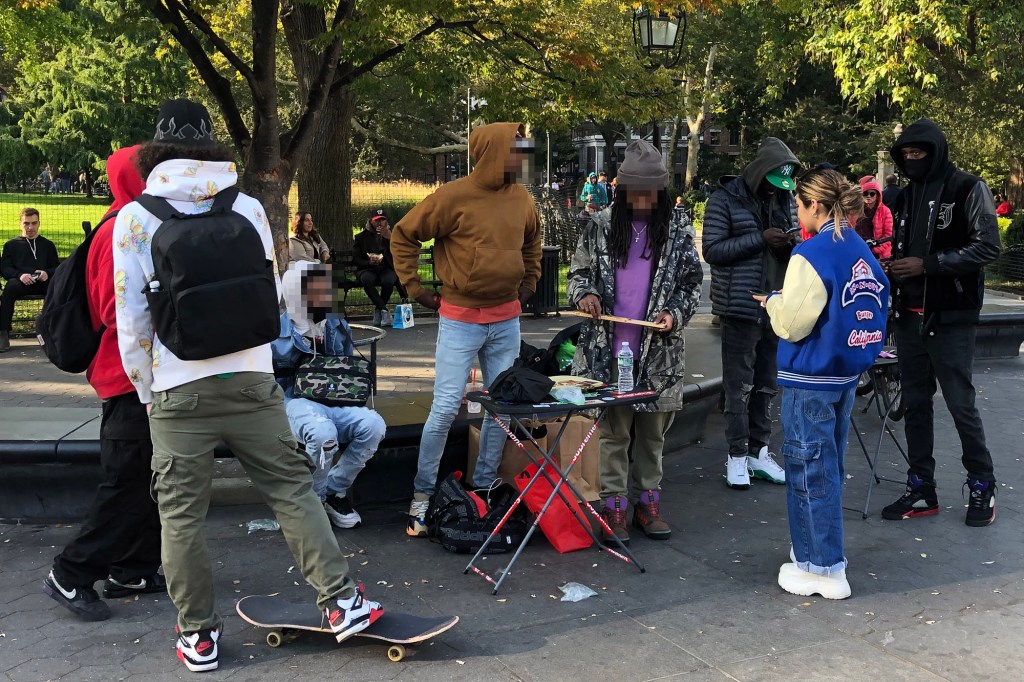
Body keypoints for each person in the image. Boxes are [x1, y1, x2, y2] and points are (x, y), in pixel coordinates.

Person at [113, 98, 382, 673]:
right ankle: (341, 603)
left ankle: (199, 636)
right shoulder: (250, 207)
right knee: (292, 492)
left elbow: (133, 320)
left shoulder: (136, 218)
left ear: (156, 151)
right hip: (254, 378)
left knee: (181, 515)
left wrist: (148, 389)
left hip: (179, 387)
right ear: (212, 146)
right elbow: (265, 287)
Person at [391, 122, 542, 537]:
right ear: (494, 151)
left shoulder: (522, 197)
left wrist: (529, 283)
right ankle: (421, 497)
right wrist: (416, 289)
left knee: (502, 409)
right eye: (517, 149)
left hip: (506, 320)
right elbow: (403, 235)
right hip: (460, 320)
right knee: (443, 410)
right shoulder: (452, 197)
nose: (522, 158)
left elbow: (532, 241)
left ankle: (483, 489)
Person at [42, 145, 165, 622]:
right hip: (127, 378)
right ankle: (69, 573)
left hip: (130, 375)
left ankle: (131, 568)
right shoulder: (121, 230)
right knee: (127, 481)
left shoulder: (126, 222)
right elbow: (117, 311)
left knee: (148, 477)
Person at [756, 168, 889, 600]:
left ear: (815, 205)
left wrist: (775, 302)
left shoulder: (811, 253)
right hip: (845, 374)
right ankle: (821, 554)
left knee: (809, 469)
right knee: (827, 465)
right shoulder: (858, 248)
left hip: (809, 376)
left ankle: (822, 566)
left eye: (799, 204)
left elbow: (793, 325)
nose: (797, 213)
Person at [567, 140, 703, 544]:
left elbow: (692, 285)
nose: (643, 201)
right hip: (610, 349)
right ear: (622, 189)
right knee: (614, 432)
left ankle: (647, 501)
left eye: (651, 193)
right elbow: (577, 275)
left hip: (659, 351)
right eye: (635, 192)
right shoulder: (601, 225)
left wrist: (674, 315)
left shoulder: (677, 230)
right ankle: (614, 507)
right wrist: (585, 295)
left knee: (653, 433)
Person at [881, 118, 1000, 527]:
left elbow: (988, 246)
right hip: (909, 316)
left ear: (936, 152)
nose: (913, 161)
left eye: (919, 154)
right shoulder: (904, 196)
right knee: (915, 404)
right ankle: (921, 488)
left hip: (950, 316)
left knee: (960, 404)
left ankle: (982, 486)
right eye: (906, 155)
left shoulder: (968, 188)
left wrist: (928, 265)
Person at [702, 137, 800, 490]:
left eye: (782, 189)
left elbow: (796, 239)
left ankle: (760, 453)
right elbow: (712, 250)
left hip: (776, 304)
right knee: (739, 385)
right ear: (759, 174)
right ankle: (736, 455)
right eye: (772, 186)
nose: (776, 193)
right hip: (741, 306)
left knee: (766, 385)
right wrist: (760, 238)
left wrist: (791, 244)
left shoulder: (784, 198)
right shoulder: (723, 200)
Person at [274, 261, 386, 529]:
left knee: (374, 425)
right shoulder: (275, 331)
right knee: (323, 435)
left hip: (336, 398)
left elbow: (346, 366)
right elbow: (269, 380)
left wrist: (327, 328)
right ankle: (312, 500)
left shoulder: (333, 323)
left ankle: (334, 492)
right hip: (293, 399)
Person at [0, 208, 60, 352]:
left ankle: (53, 332)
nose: (30, 227)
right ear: (20, 224)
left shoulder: (47, 245)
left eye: (34, 223)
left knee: (56, 288)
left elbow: (57, 268)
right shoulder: (11, 245)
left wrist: (47, 273)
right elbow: (5, 268)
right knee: (9, 289)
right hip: (20, 282)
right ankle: (3, 333)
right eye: (26, 223)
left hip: (43, 282)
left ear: (39, 223)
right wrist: (19, 275)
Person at [353, 208, 406, 326]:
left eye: (382, 220)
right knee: (367, 279)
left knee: (389, 280)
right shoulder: (361, 237)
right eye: (377, 220)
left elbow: (400, 253)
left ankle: (379, 310)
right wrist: (369, 262)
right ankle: (384, 310)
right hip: (367, 268)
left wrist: (390, 238)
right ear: (371, 222)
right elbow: (356, 258)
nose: (380, 223)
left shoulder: (391, 237)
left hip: (386, 268)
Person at [854, 178, 893, 260]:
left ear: (878, 195)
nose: (868, 196)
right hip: (860, 252)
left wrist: (875, 249)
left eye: (872, 194)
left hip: (880, 255)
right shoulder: (856, 210)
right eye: (865, 193)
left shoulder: (885, 211)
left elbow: (888, 235)